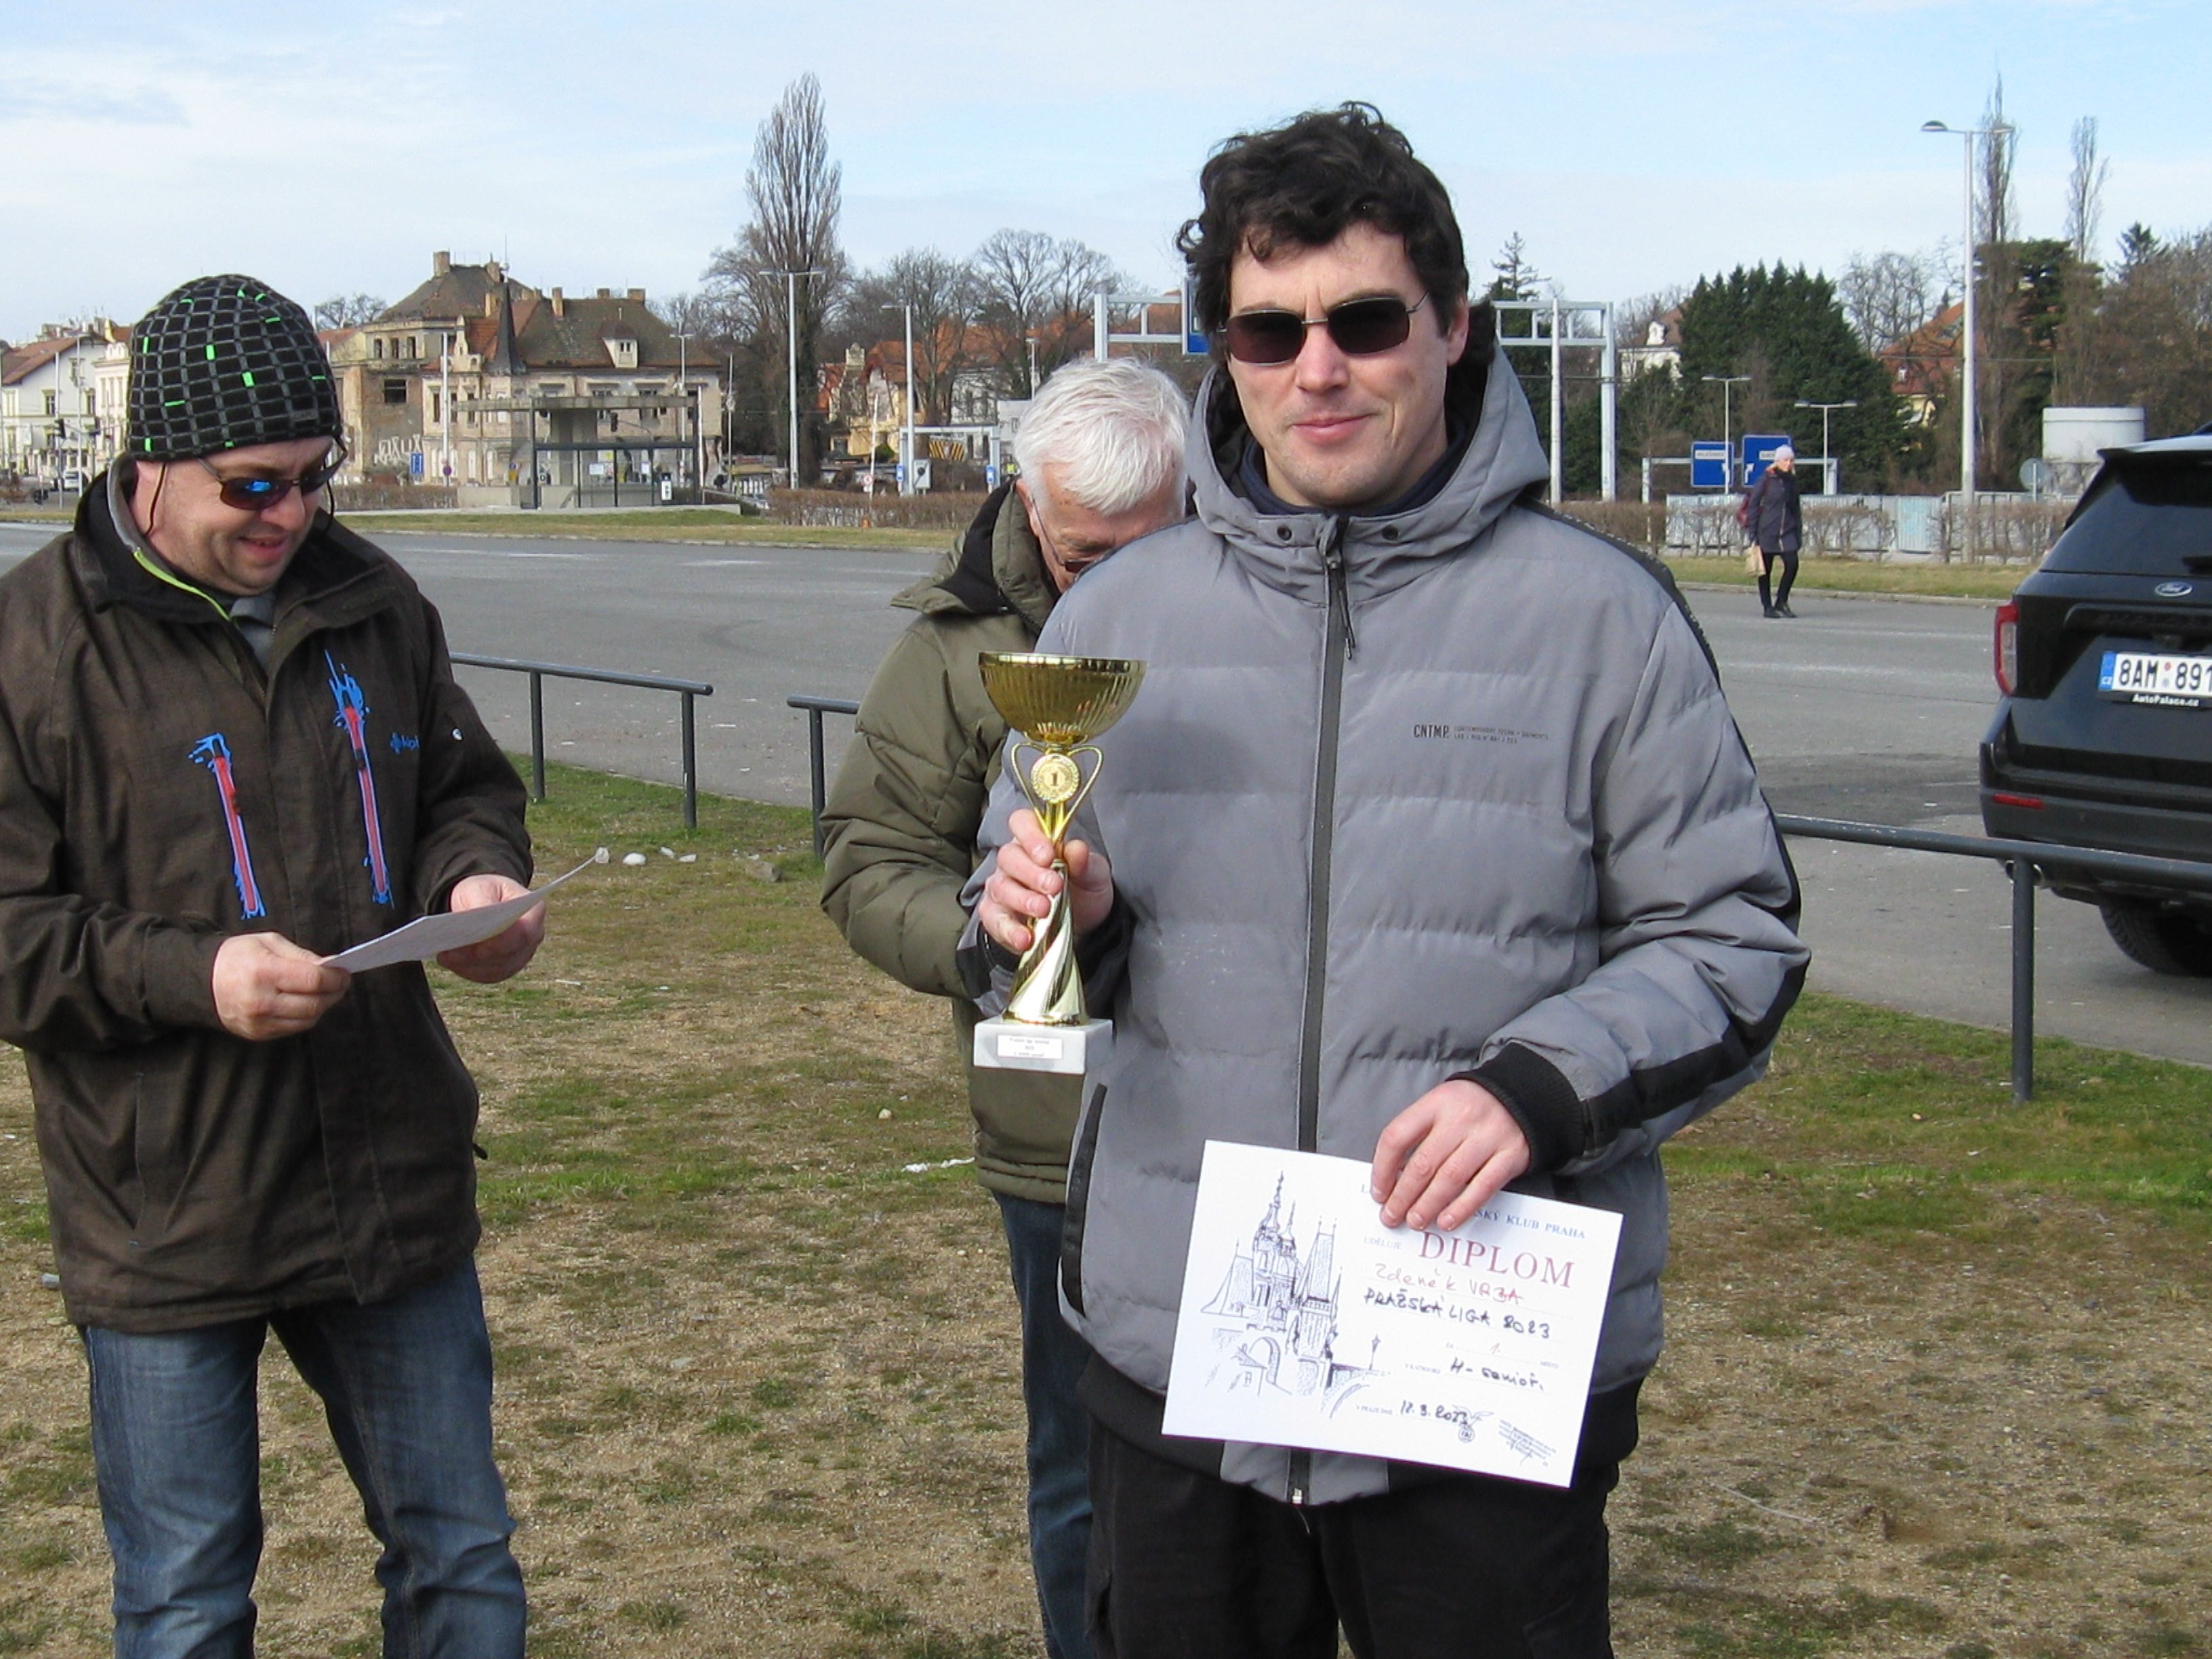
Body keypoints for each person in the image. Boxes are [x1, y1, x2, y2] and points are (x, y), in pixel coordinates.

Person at [966, 105, 1808, 1658]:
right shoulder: (1113, 621)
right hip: (1180, 1355)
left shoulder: (1601, 619)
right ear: (1222, 352)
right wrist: (1057, 925)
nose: (1318, 368)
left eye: (1362, 321)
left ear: (1453, 328)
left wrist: (1537, 1091)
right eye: (1267, 330)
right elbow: (1006, 931)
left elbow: (1734, 936)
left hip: (1472, 1369)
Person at [0, 275, 543, 1657]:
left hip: (388, 1178)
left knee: (463, 1561)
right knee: (186, 1604)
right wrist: (196, 977)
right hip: (166, 1208)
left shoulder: (375, 598)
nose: (290, 516)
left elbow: (464, 787)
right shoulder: (32, 645)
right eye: (252, 486)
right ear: (150, 462)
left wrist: (475, 883)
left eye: (314, 477)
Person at [821, 358, 1187, 1659]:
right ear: (1028, 507)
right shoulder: (951, 649)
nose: (1120, 587)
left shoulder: (1257, 611)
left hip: (1250, 1110)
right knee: (1081, 1463)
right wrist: (982, 936)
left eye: (1152, 549)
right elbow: (865, 860)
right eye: (1088, 559)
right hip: (1055, 1130)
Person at [1746, 443, 1804, 618]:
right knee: (1765, 570)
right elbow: (1753, 506)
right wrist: (1753, 533)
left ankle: (1782, 601)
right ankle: (1767, 606)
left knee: (1792, 564)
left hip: (1788, 531)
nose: (1789, 464)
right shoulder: (1766, 480)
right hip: (1767, 531)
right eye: (1785, 460)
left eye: (1791, 460)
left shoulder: (1792, 481)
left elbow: (1796, 508)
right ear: (1777, 461)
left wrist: (1798, 531)